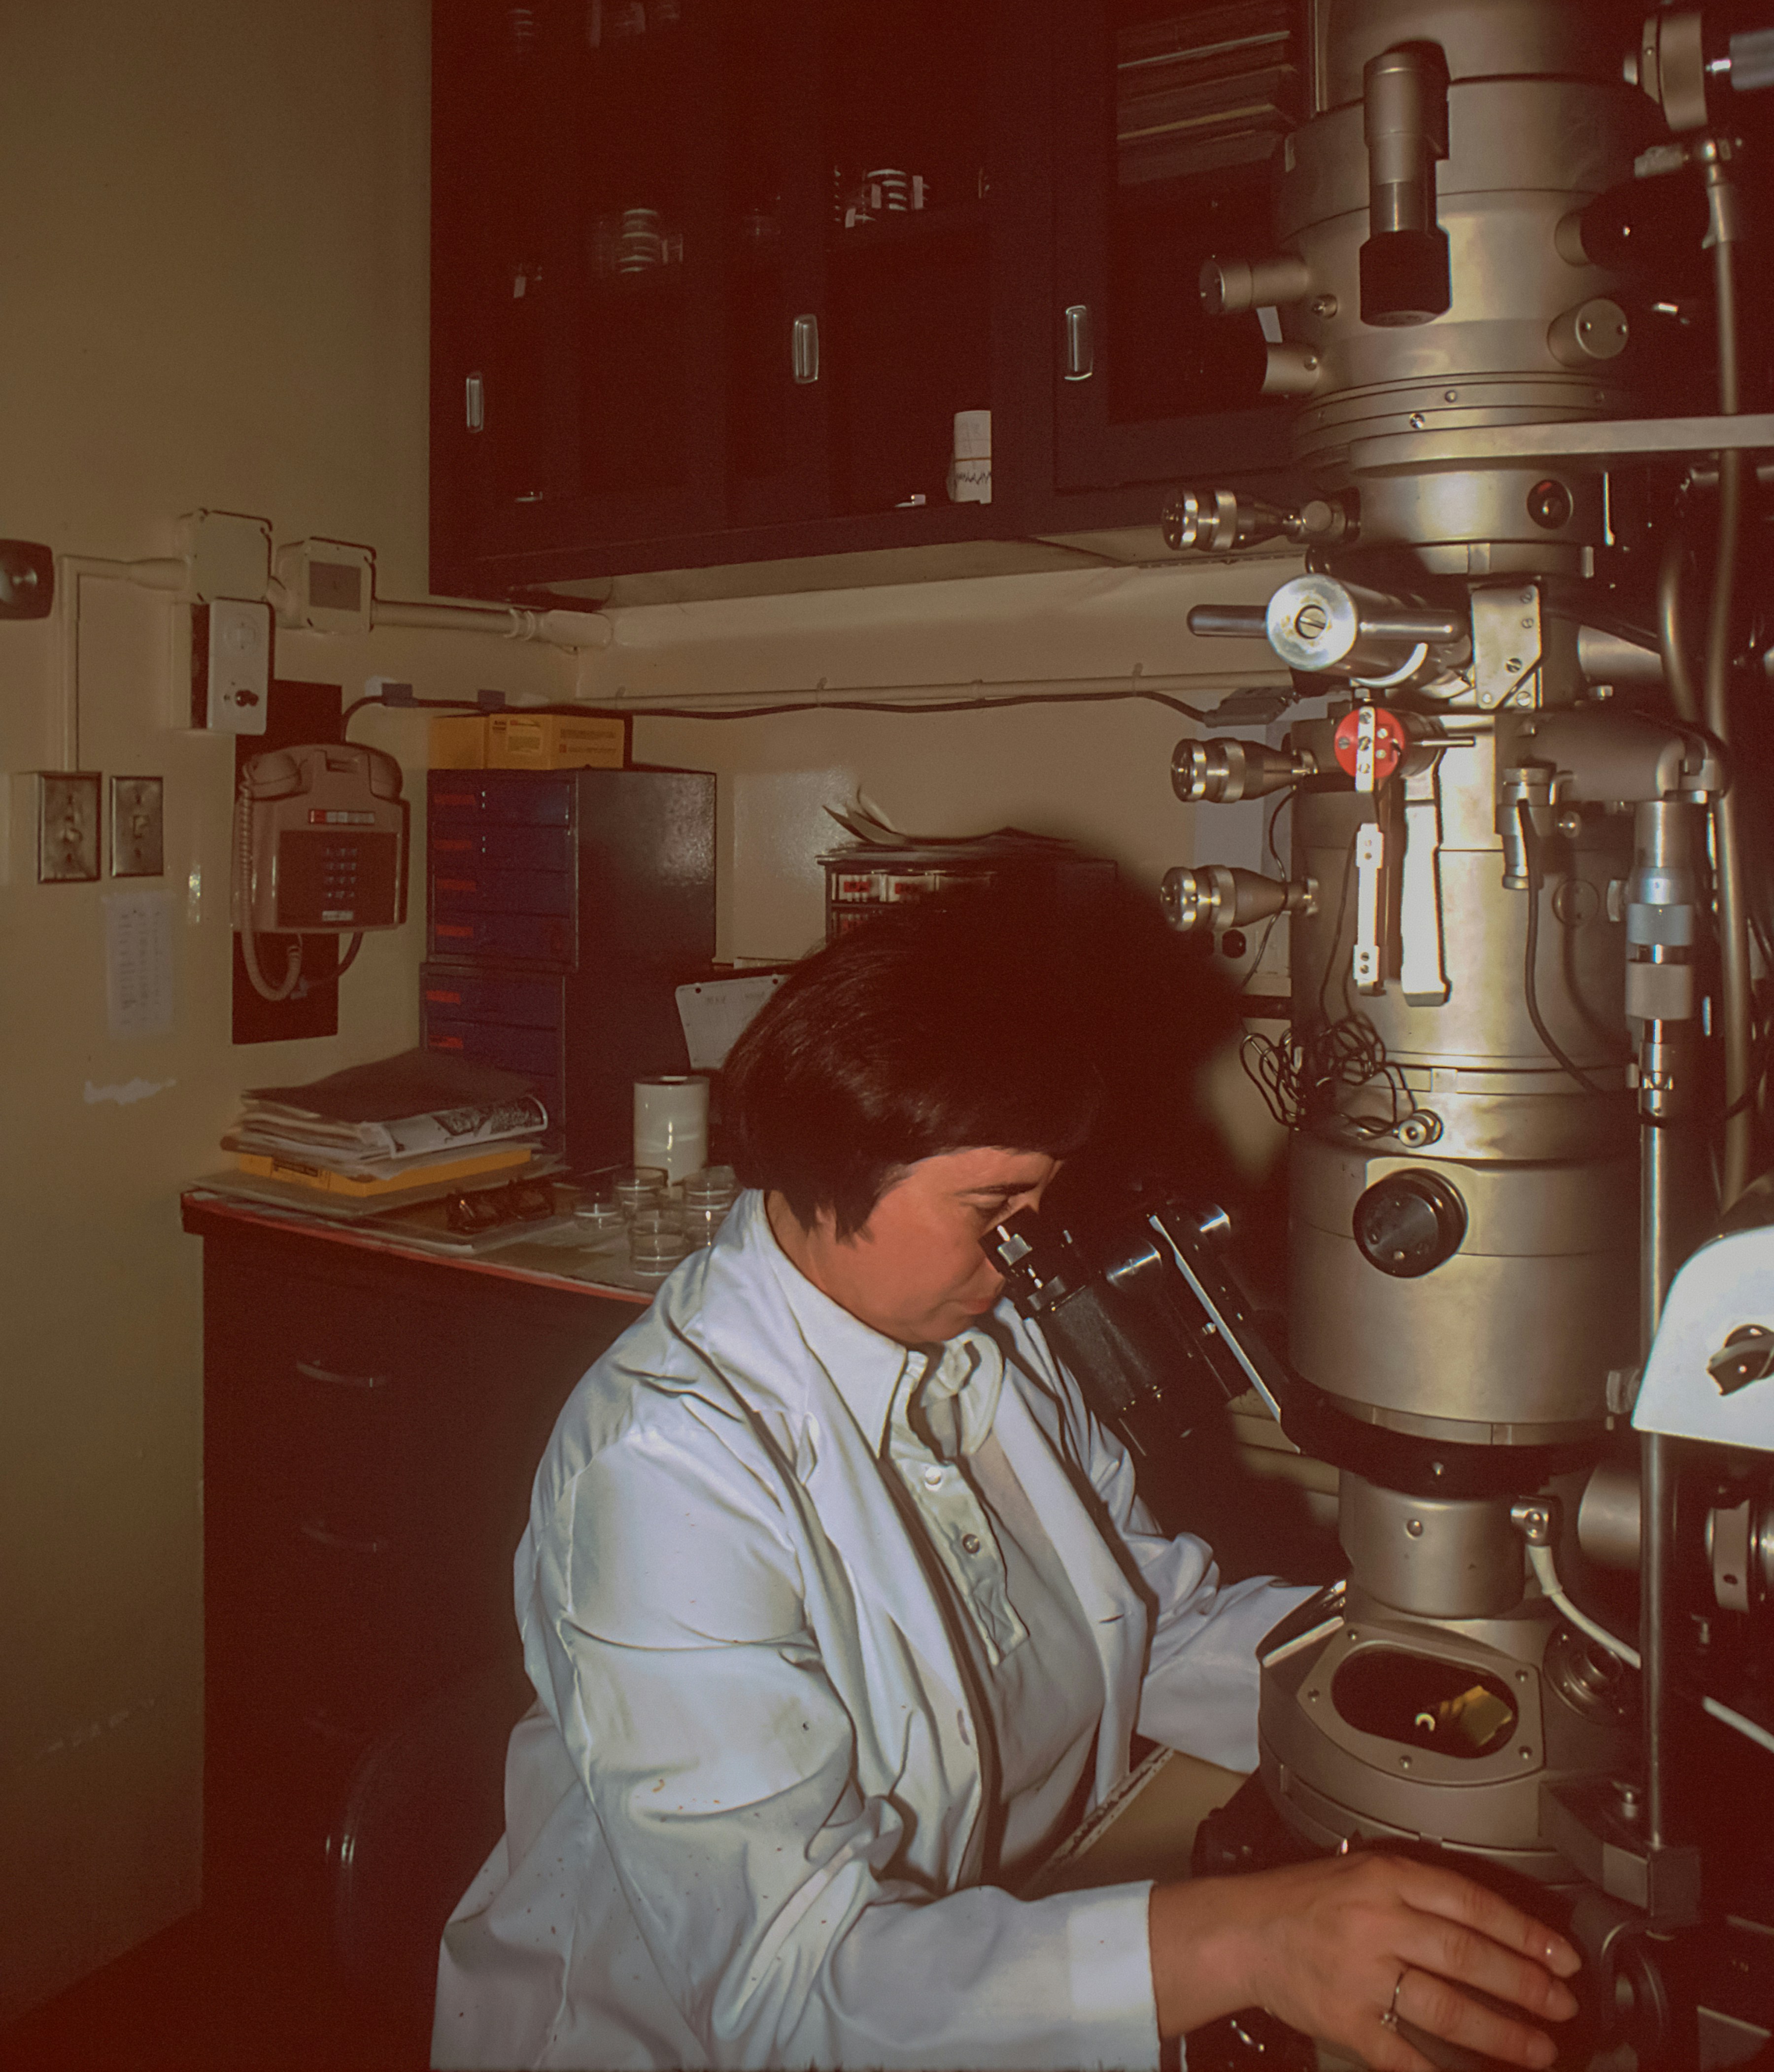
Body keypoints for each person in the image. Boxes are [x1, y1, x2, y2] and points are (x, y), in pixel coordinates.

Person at [433, 883, 1581, 2072]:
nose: (1030, 1247)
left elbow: (1159, 1629)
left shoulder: (991, 1339)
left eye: (1041, 1200)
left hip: (981, 1958)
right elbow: (787, 1991)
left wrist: (1453, 1682)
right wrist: (1252, 1941)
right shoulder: (665, 1477)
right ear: (830, 1173)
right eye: (995, 1208)